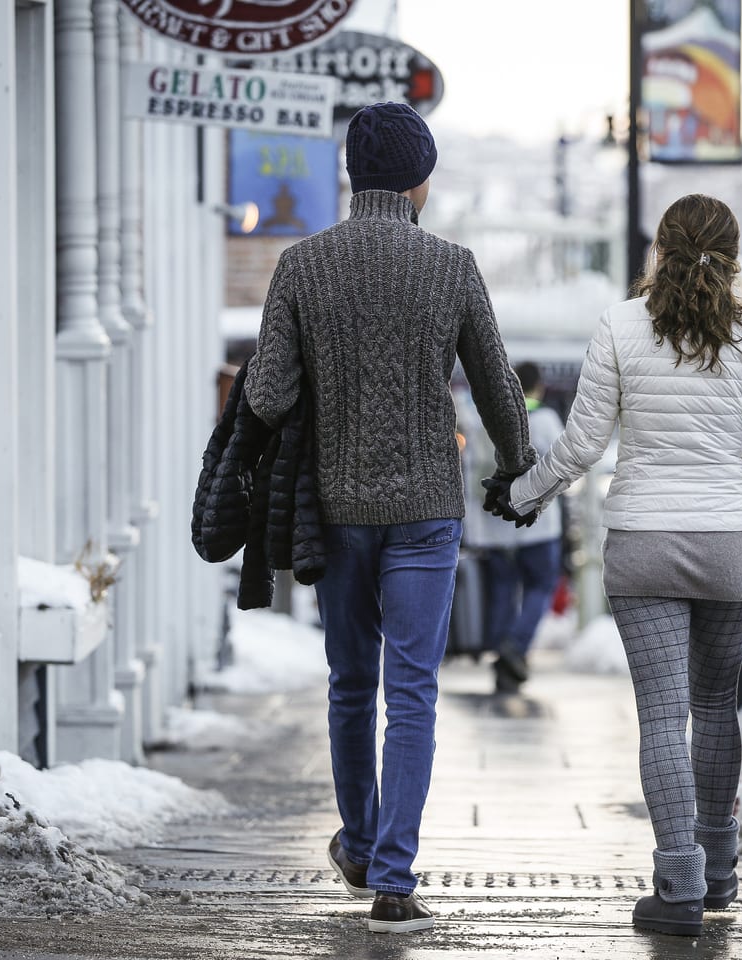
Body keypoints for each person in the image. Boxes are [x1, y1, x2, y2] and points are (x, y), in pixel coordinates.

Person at [487, 194, 742, 938]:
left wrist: (523, 495)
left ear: (659, 250)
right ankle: (722, 870)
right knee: (714, 711)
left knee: (664, 718)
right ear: (732, 258)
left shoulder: (621, 326)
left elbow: (580, 445)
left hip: (644, 546)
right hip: (732, 549)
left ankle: (678, 886)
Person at [244, 102, 535, 935]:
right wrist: (517, 470)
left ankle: (363, 842)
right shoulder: (452, 265)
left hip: (332, 513)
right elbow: (496, 387)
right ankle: (395, 882)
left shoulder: (302, 265)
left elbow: (266, 395)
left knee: (349, 684)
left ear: (351, 174)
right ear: (420, 180)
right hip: (425, 516)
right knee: (413, 692)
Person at [482, 361, 565, 694]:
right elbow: (562, 462)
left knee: (502, 589)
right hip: (540, 525)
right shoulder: (545, 420)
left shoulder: (489, 418)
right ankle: (514, 648)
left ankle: (502, 651)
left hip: (496, 526)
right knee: (540, 587)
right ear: (539, 387)